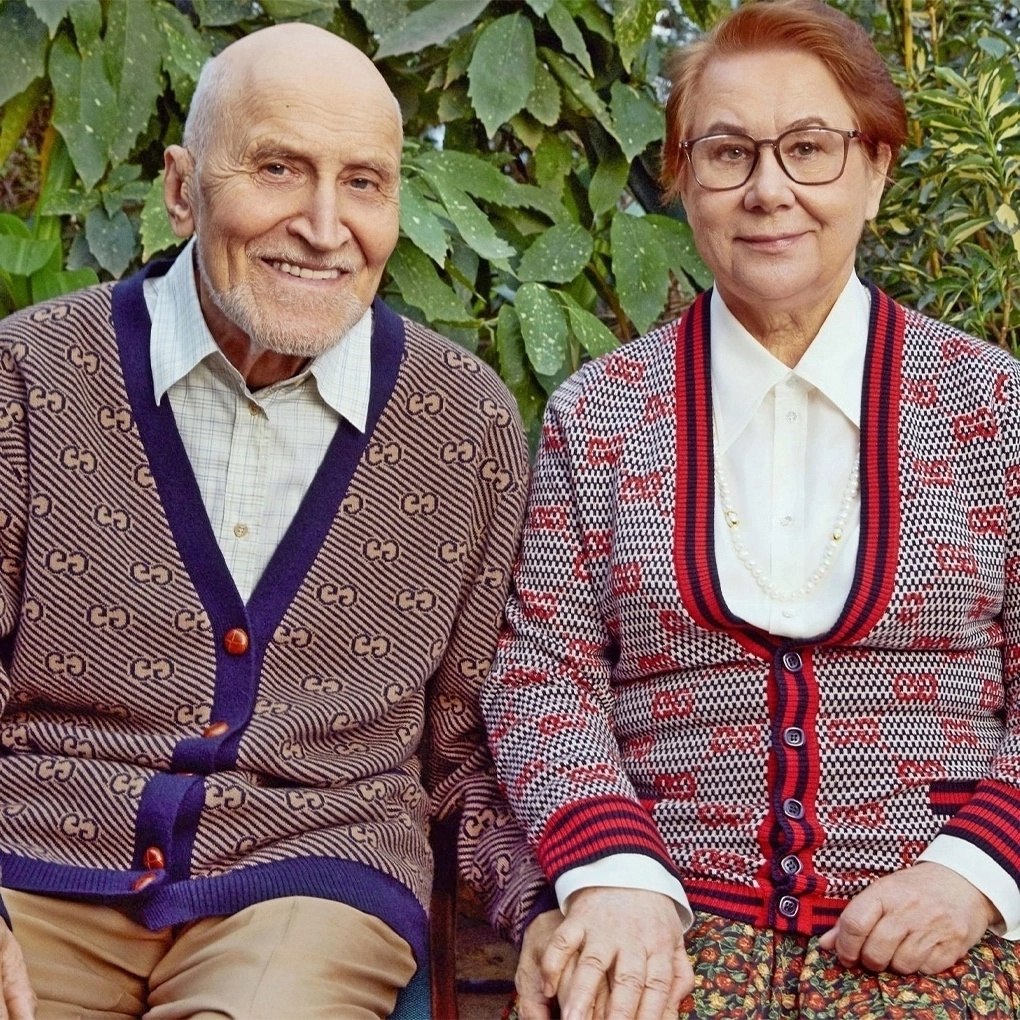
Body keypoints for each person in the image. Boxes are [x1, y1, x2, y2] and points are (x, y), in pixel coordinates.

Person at [0, 22, 548, 1020]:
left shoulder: (461, 421)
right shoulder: (27, 374)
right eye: (279, 169)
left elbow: (468, 746)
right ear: (181, 189)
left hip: (309, 885)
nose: (325, 226)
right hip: (32, 867)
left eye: (364, 183)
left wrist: (548, 904)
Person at [483, 1, 1020, 1017]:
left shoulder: (993, 407)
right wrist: (615, 877)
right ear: (683, 180)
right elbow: (542, 672)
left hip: (942, 941)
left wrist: (975, 872)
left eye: (810, 148)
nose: (769, 189)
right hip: (665, 932)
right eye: (728, 153)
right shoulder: (599, 413)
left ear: (876, 169)